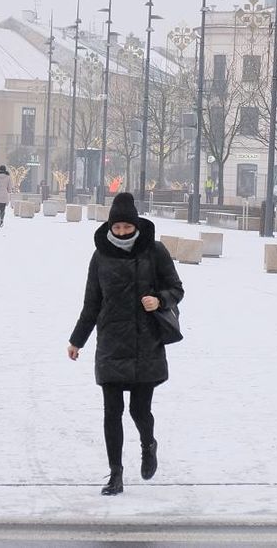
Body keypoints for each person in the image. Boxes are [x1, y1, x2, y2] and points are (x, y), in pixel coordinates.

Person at [67, 192, 184, 497]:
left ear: (135, 225)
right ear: (110, 227)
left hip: (146, 342)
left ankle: (148, 444)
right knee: (111, 411)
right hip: (111, 344)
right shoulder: (100, 256)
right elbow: (91, 303)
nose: (121, 232)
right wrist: (76, 340)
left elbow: (177, 289)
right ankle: (115, 473)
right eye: (116, 228)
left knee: (139, 410)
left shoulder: (154, 251)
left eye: (126, 227)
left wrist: (159, 299)